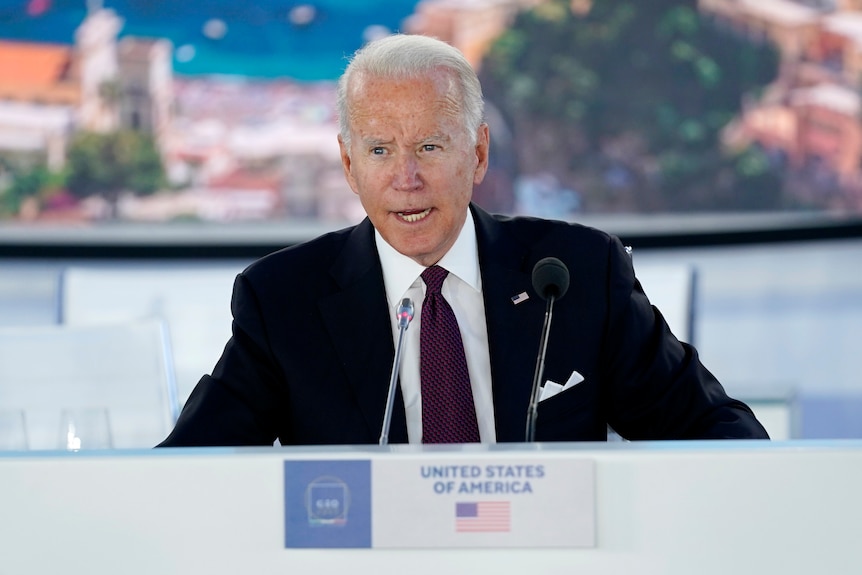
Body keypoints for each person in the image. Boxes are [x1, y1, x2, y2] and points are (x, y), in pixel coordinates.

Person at [159, 34, 768, 447]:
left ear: (476, 154)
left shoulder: (575, 273)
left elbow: (719, 430)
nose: (406, 179)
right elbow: (195, 468)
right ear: (348, 165)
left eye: (429, 146)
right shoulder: (282, 299)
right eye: (379, 151)